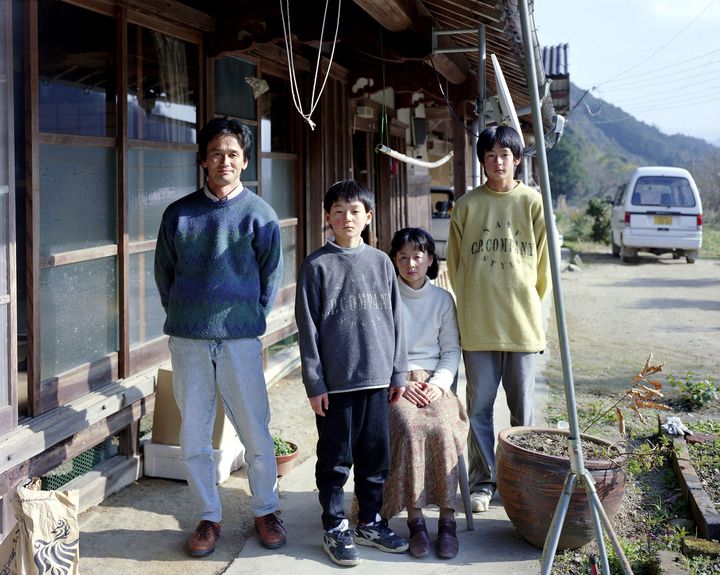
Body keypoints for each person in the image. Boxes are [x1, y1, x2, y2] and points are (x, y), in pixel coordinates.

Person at [154, 117, 286, 557]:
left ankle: (266, 509)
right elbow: (164, 274)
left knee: (255, 426)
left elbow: (271, 276)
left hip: (240, 338)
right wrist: (183, 314)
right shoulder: (180, 214)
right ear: (203, 161)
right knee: (194, 434)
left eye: (232, 153)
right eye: (216, 153)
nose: (224, 160)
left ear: (245, 161)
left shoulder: (260, 215)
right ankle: (209, 516)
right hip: (189, 337)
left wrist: (251, 320)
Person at [294, 180, 409, 567]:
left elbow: (397, 321)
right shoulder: (315, 266)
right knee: (334, 458)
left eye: (355, 211)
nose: (347, 218)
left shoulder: (381, 263)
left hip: (378, 379)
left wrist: (398, 373)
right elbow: (307, 330)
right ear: (327, 217)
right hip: (337, 384)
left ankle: (370, 521)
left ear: (368, 217)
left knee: (375, 456)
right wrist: (315, 382)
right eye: (338, 211)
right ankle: (334, 525)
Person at [446, 125, 550, 513]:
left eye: (504, 155)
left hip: (522, 326)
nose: (497, 162)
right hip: (478, 325)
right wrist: (474, 300)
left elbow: (543, 268)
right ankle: (484, 481)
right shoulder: (467, 205)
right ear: (483, 162)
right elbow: (455, 266)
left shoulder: (533, 203)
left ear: (517, 159)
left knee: (524, 413)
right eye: (490, 156)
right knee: (479, 410)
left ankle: (522, 480)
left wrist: (526, 303)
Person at [380, 227, 469, 560]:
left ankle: (447, 522)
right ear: (394, 261)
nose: (410, 263)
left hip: (435, 382)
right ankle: (416, 522)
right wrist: (401, 378)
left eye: (418, 256)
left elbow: (450, 350)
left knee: (445, 429)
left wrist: (437, 384)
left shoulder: (443, 299)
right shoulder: (387, 296)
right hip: (398, 381)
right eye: (402, 257)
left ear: (430, 259)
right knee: (408, 427)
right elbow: (384, 347)